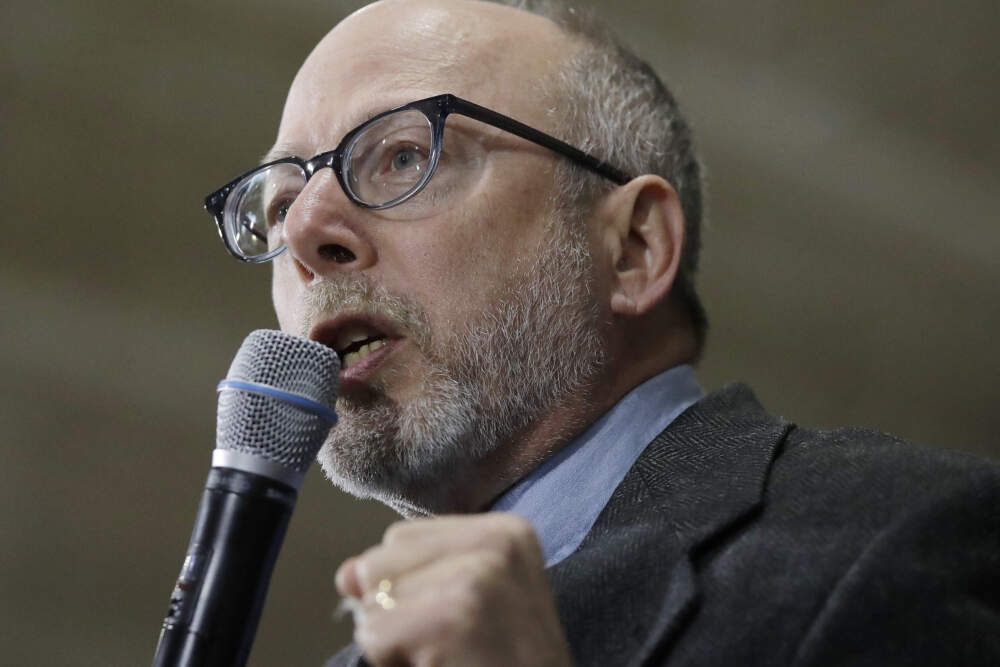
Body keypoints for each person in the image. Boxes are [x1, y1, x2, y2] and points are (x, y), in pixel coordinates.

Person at [203, 0, 1000, 665]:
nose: (306, 230)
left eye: (403, 155)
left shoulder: (893, 540)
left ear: (633, 249)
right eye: (277, 203)